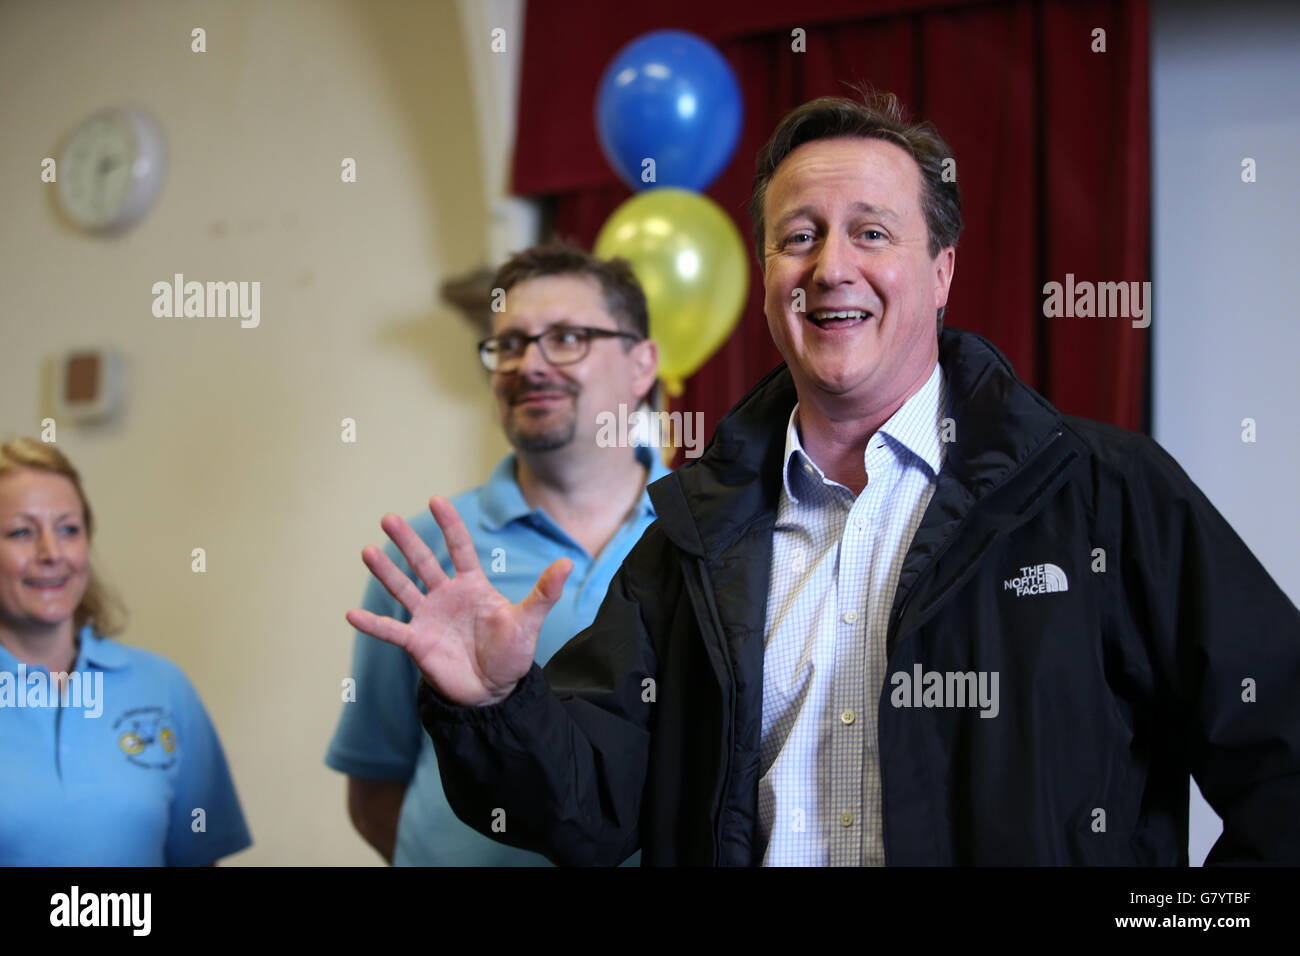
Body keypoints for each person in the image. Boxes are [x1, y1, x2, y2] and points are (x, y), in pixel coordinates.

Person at [351, 91, 1300, 865]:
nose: (830, 267)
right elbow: (590, 813)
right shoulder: (692, 535)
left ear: (942, 272)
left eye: (872, 233)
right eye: (798, 237)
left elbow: (1282, 754)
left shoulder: (1107, 494)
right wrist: (495, 707)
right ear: (766, 278)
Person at [328, 242, 667, 865]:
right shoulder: (425, 554)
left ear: (641, 363)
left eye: (566, 337)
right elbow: (375, 787)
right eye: (509, 344)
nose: (527, 365)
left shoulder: (705, 541)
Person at [0, 437, 251, 866]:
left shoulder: (164, 687)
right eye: (22, 532)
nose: (51, 553)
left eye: (68, 529)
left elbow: (198, 857)